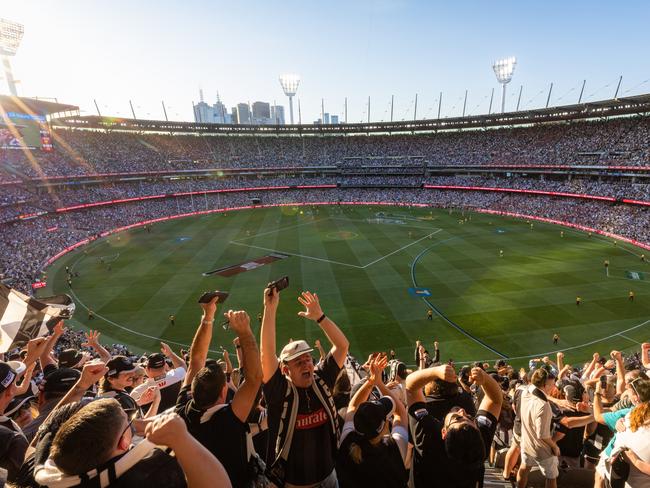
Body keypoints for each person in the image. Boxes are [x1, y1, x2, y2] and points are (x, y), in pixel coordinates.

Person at [260, 289, 349, 488]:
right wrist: (270, 309)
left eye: (308, 359)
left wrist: (320, 317)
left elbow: (342, 346)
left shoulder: (321, 380)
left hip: (329, 478)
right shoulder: (279, 392)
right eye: (298, 362)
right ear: (285, 369)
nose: (306, 365)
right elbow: (266, 355)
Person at [35, 399, 233, 488]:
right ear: (124, 442)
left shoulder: (48, 471)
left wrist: (130, 426)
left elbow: (50, 428)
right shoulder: (152, 474)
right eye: (129, 421)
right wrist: (182, 438)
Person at [175, 293, 263, 487]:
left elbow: (196, 360)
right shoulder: (229, 419)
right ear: (224, 391)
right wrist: (245, 332)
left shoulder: (181, 410)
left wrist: (208, 317)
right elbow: (255, 379)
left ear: (193, 389)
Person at [406, 364, 503, 488]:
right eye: (470, 418)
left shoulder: (427, 438)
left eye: (457, 418)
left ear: (444, 432)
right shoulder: (478, 442)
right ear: (477, 431)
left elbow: (410, 387)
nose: (462, 411)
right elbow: (495, 400)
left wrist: (435, 371)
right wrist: (485, 379)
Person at [337, 355, 409, 488]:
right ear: (384, 426)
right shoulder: (394, 449)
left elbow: (352, 406)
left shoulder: (347, 442)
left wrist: (370, 382)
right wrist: (378, 383)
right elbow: (401, 414)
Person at [517, 368, 560, 488]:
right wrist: (554, 446)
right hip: (541, 448)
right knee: (551, 477)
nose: (554, 386)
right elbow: (543, 435)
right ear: (544, 385)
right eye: (552, 384)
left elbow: (533, 389)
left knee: (524, 468)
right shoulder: (543, 406)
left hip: (526, 442)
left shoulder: (526, 392)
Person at [131, 343, 186, 412]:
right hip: (177, 417)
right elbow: (183, 366)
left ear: (148, 369)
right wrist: (171, 354)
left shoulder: (138, 391)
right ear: (165, 366)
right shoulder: (176, 375)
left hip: (155, 422)